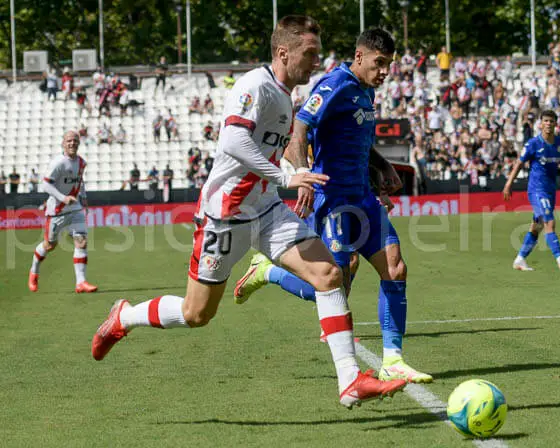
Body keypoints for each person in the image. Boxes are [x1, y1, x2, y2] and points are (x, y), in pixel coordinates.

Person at [89, 16, 407, 409]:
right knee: (196, 313)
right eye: (309, 54)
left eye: (317, 54)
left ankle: (350, 381)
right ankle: (124, 317)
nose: (315, 62)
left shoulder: (286, 97)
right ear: (283, 52)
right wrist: (285, 176)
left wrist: (291, 177)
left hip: (266, 209)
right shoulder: (255, 86)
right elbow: (233, 139)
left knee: (329, 274)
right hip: (225, 214)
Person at [232, 28, 432, 385]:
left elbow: (356, 140)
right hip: (334, 200)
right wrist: (303, 172)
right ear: (359, 57)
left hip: (363, 198)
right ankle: (268, 272)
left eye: (389, 64)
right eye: (379, 63)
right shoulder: (334, 84)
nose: (385, 71)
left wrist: (383, 168)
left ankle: (394, 360)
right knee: (332, 282)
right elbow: (300, 128)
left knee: (395, 267)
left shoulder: (366, 90)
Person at [502, 109, 560, 271]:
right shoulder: (533, 144)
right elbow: (519, 163)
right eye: (545, 121)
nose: (548, 124)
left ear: (555, 124)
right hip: (537, 190)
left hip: (551, 189)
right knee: (549, 221)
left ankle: (519, 259)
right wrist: (509, 183)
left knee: (536, 226)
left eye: (551, 121)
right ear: (540, 124)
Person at [29, 131, 97, 293]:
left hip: (75, 208)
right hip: (56, 211)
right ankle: (34, 271)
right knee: (50, 245)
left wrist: (84, 198)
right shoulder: (58, 163)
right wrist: (63, 198)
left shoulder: (81, 163)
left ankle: (81, 282)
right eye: (69, 141)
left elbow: (80, 182)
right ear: (63, 143)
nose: (72, 143)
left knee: (81, 241)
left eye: (75, 140)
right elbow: (45, 185)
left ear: (79, 143)